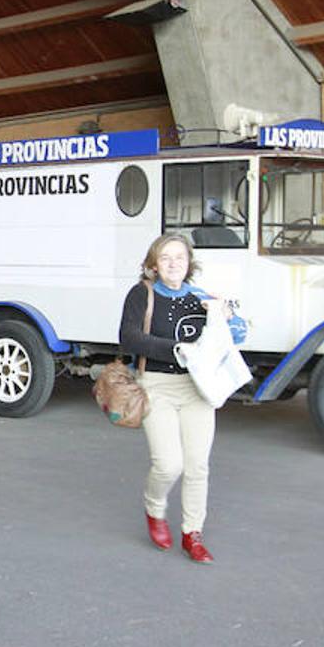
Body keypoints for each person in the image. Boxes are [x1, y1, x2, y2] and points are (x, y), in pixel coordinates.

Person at [118, 232, 238, 564]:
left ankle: (192, 533)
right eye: (166, 258)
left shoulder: (200, 297)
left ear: (189, 263)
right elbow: (128, 337)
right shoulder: (141, 294)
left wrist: (227, 317)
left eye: (180, 258)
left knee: (198, 465)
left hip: (197, 387)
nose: (173, 264)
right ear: (154, 264)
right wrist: (174, 349)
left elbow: (236, 333)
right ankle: (154, 509)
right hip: (156, 385)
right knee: (169, 464)